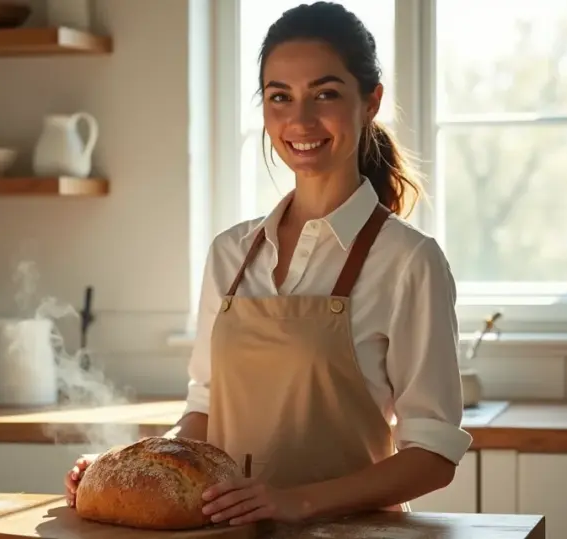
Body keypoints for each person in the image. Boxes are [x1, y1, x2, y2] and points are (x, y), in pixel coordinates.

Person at [65, 0, 471, 526]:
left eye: (325, 94)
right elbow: (203, 415)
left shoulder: (408, 261)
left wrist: (295, 501)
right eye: (280, 97)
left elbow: (433, 457)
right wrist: (123, 467)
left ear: (371, 102)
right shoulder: (230, 254)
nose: (299, 120)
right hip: (228, 536)